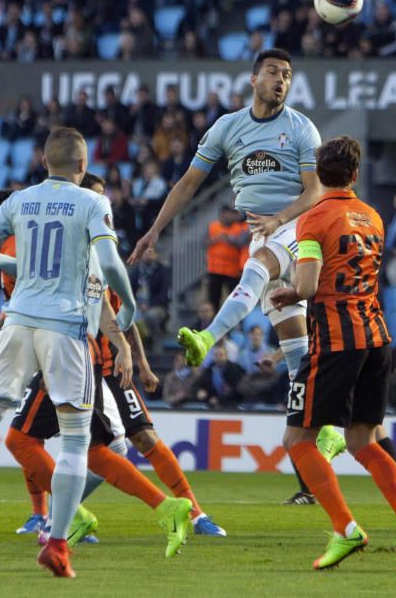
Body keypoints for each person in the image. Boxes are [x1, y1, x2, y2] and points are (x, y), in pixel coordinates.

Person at [0, 127, 149, 578]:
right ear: (82, 166)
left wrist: (12, 263)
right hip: (63, 329)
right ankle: (57, 545)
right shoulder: (92, 203)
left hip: (17, 322)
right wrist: (130, 306)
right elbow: (110, 262)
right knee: (76, 442)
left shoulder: (18, 200)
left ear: (44, 162)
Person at [126, 49, 351, 502]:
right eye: (273, 73)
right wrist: (154, 231)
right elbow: (188, 182)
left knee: (256, 266)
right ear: (253, 80)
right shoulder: (228, 128)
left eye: (287, 75)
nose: (281, 81)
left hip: (297, 227)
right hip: (262, 233)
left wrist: (278, 219)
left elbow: (315, 192)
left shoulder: (301, 127)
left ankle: (208, 338)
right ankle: (319, 459)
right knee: (297, 360)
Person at [0, 178, 225, 539]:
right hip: (75, 356)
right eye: (97, 199)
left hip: (101, 363)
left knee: (136, 439)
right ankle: (50, 515)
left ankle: (193, 513)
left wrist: (136, 359)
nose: (104, 207)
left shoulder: (99, 255)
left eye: (105, 200)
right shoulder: (65, 249)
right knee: (49, 438)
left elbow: (117, 316)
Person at [269, 135, 396, 571]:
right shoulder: (373, 217)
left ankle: (346, 529)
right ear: (356, 176)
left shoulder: (314, 220)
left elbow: (305, 286)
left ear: (318, 177)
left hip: (337, 342)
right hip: (377, 338)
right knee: (363, 437)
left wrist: (286, 294)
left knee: (297, 439)